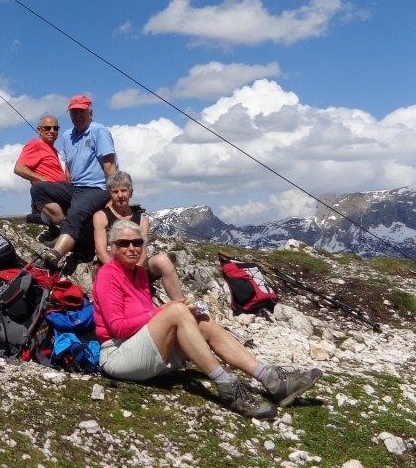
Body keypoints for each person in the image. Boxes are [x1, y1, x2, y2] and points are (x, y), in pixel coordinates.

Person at [93, 220, 322, 418]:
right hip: (118, 354)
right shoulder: (108, 275)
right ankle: (227, 386)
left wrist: (175, 312)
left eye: (137, 243)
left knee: (201, 319)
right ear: (112, 247)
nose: (132, 248)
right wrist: (162, 311)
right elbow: (118, 328)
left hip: (139, 348)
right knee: (175, 311)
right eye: (124, 244)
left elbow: (143, 318)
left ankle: (271, 378)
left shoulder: (138, 273)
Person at [32, 95, 116, 268]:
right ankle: (68, 229)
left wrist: (112, 196)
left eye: (81, 112)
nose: (77, 116)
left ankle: (55, 255)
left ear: (89, 113)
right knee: (38, 190)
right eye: (73, 112)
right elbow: (68, 167)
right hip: (75, 187)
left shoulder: (99, 131)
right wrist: (65, 187)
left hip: (96, 188)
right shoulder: (67, 135)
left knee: (76, 212)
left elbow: (109, 165)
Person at [92, 170, 185, 301]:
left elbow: (143, 252)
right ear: (110, 194)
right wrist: (120, 275)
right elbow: (101, 252)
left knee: (163, 260)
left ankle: (181, 302)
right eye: (115, 191)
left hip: (137, 268)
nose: (120, 195)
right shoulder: (101, 216)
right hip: (113, 267)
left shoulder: (142, 219)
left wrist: (135, 275)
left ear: (131, 192)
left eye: (123, 190)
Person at [13, 114, 65, 225]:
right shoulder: (35, 144)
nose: (52, 131)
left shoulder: (52, 149)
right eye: (47, 128)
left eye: (55, 128)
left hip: (58, 194)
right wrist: (43, 180)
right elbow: (19, 168)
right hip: (48, 196)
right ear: (39, 130)